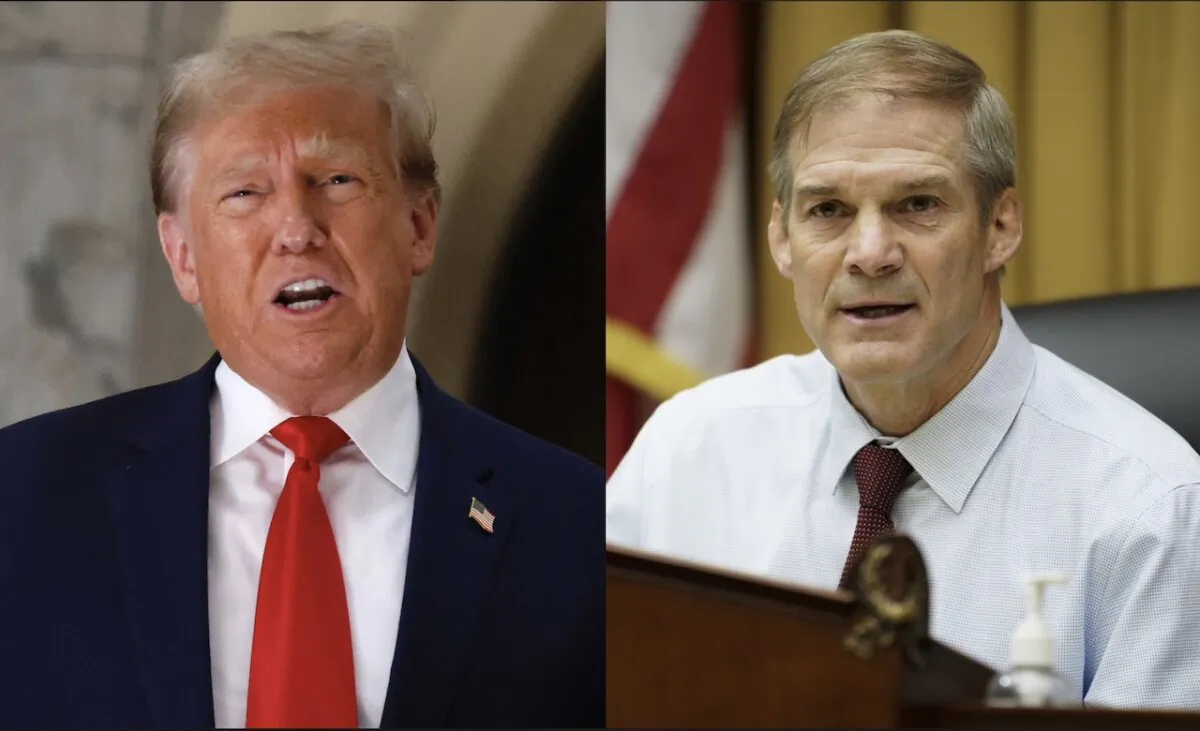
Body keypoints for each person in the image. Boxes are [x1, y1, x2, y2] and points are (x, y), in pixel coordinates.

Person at [0, 21, 603, 729]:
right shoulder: (25, 494)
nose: (296, 229)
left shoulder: (578, 523)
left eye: (336, 180)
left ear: (419, 226)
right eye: (245, 193)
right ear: (183, 256)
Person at [606, 29, 1200, 710]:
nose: (869, 253)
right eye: (828, 210)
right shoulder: (686, 450)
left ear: (1000, 228)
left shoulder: (1150, 509)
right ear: (782, 239)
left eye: (917, 205)